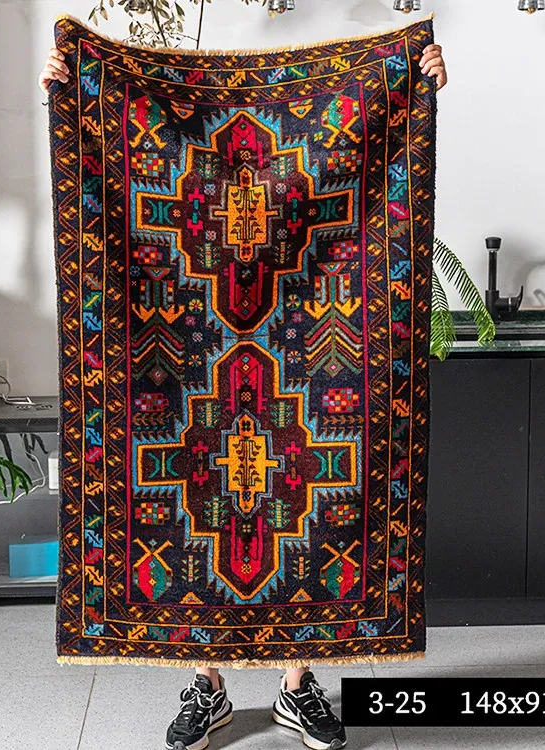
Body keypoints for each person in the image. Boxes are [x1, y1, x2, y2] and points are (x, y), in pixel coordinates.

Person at [40, 32, 447, 750]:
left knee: (305, 490)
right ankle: (209, 688)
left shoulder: (310, 132)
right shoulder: (158, 108)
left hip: (300, 318)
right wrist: (72, 86)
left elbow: (355, 157)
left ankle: (296, 688)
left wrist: (413, 81)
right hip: (187, 326)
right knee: (194, 498)